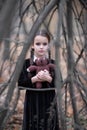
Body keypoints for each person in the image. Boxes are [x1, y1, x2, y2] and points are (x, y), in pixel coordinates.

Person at [18, 29, 59, 130]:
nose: (41, 47)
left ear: (48, 45)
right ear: (32, 45)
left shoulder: (53, 63)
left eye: (45, 44)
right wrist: (34, 79)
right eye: (38, 44)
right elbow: (20, 84)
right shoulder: (26, 63)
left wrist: (49, 79)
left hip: (49, 99)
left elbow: (60, 83)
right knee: (33, 124)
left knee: (49, 124)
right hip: (32, 101)